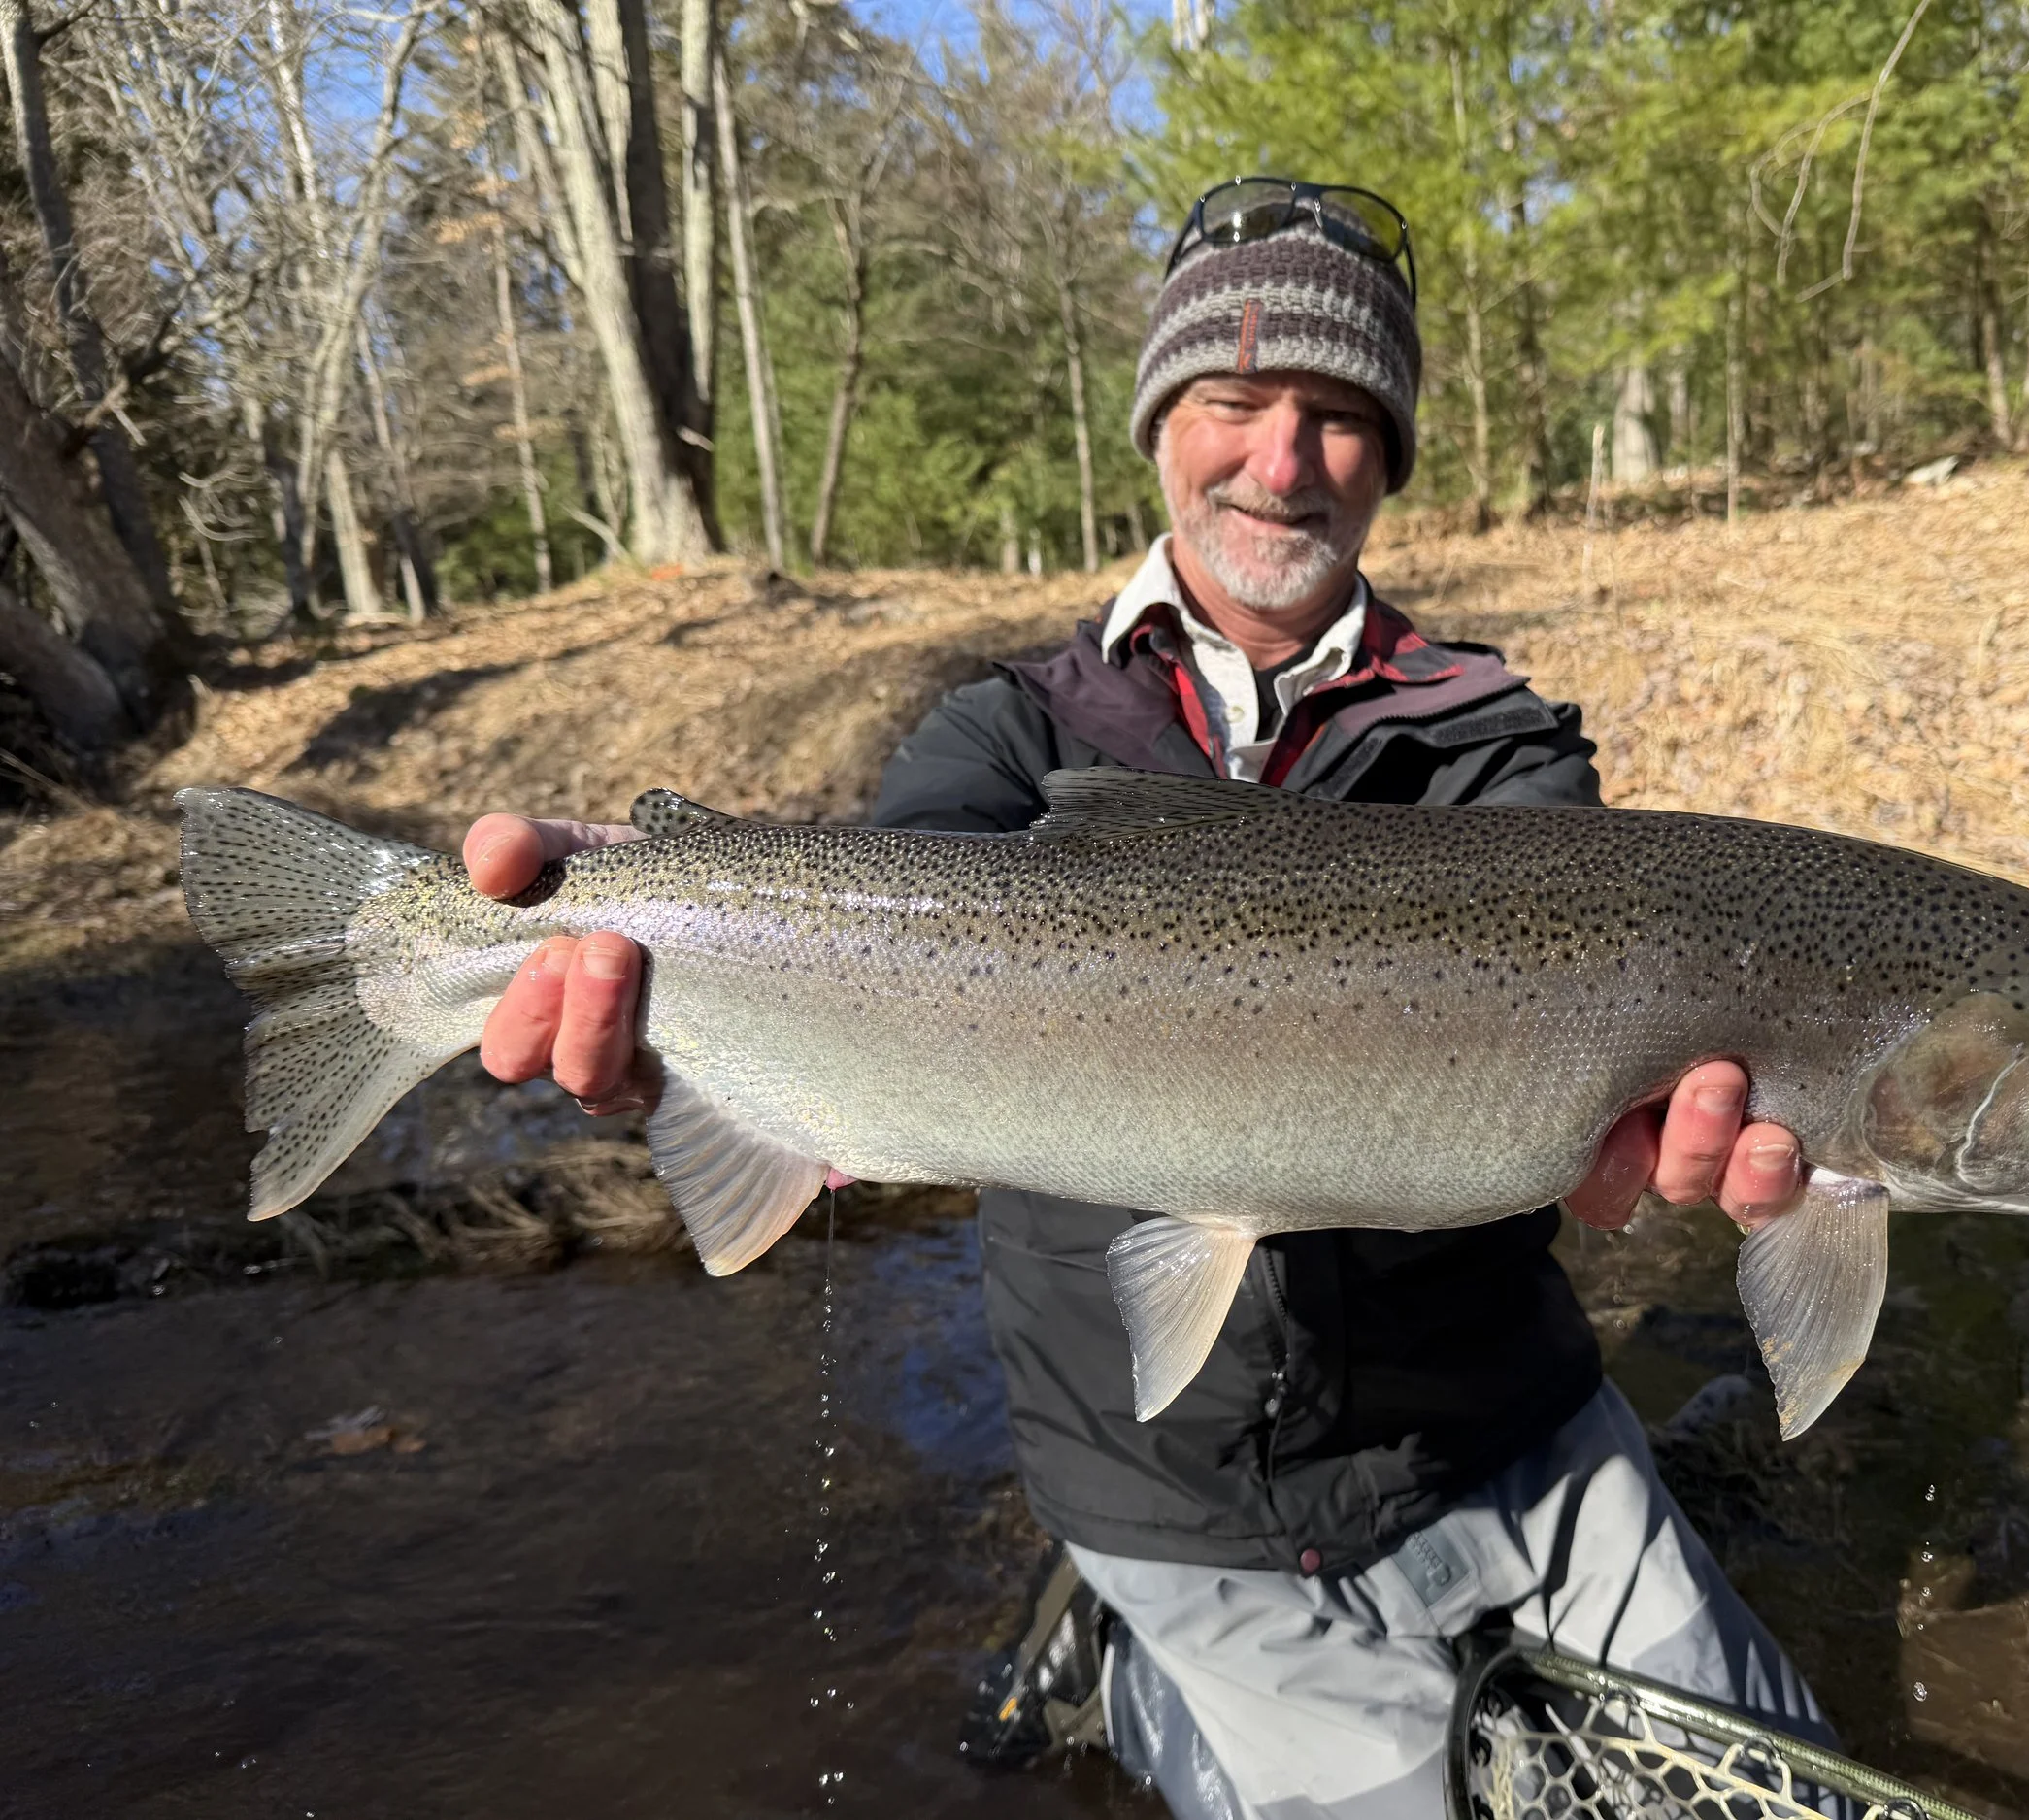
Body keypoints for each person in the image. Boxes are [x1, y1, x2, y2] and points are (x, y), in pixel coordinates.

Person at [461, 178, 1832, 1818]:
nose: (1280, 457)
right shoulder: (1004, 733)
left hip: (1514, 1433)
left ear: (1390, 455)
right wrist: (690, 1016)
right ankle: (1133, 1667)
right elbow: (879, 930)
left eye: (1336, 414)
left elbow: (1601, 1023)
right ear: (1160, 427)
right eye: (1235, 401)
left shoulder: (1499, 744)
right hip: (1162, 1488)